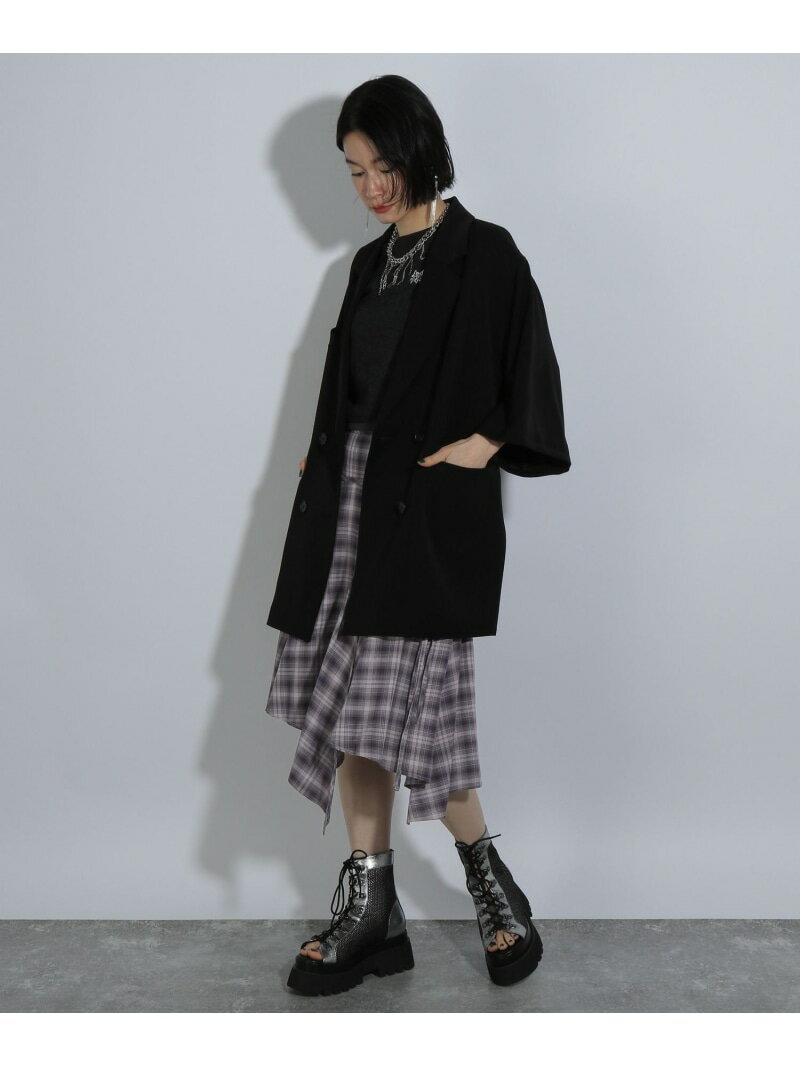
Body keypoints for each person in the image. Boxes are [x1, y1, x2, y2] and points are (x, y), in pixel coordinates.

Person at [264, 74, 570, 996]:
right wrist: (324, 458)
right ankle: (376, 908)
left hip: (425, 510)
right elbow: (351, 390)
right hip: (351, 507)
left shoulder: (486, 253)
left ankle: (482, 880)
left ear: (419, 150)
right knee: (356, 715)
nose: (370, 188)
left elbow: (530, 367)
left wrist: (489, 442)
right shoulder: (365, 266)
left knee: (417, 717)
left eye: (382, 166)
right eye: (354, 172)